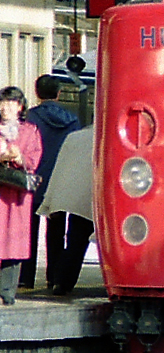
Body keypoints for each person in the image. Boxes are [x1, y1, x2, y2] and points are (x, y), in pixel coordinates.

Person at [21, 75, 79, 290]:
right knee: (57, 232)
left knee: (28, 230)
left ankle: (25, 278)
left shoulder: (29, 118)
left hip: (33, 180)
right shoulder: (72, 120)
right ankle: (53, 277)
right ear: (59, 93)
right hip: (60, 181)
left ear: (37, 93)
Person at [36, 125, 93, 295]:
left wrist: (52, 198)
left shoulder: (74, 138)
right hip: (105, 197)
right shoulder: (113, 136)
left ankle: (61, 281)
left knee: (76, 239)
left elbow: (60, 169)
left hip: (77, 198)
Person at [0, 86, 42, 304]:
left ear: (20, 107)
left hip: (17, 196)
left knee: (13, 243)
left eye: (11, 103)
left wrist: (17, 157)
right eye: (3, 103)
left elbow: (33, 161)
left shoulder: (30, 131)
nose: (6, 107)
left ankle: (6, 293)